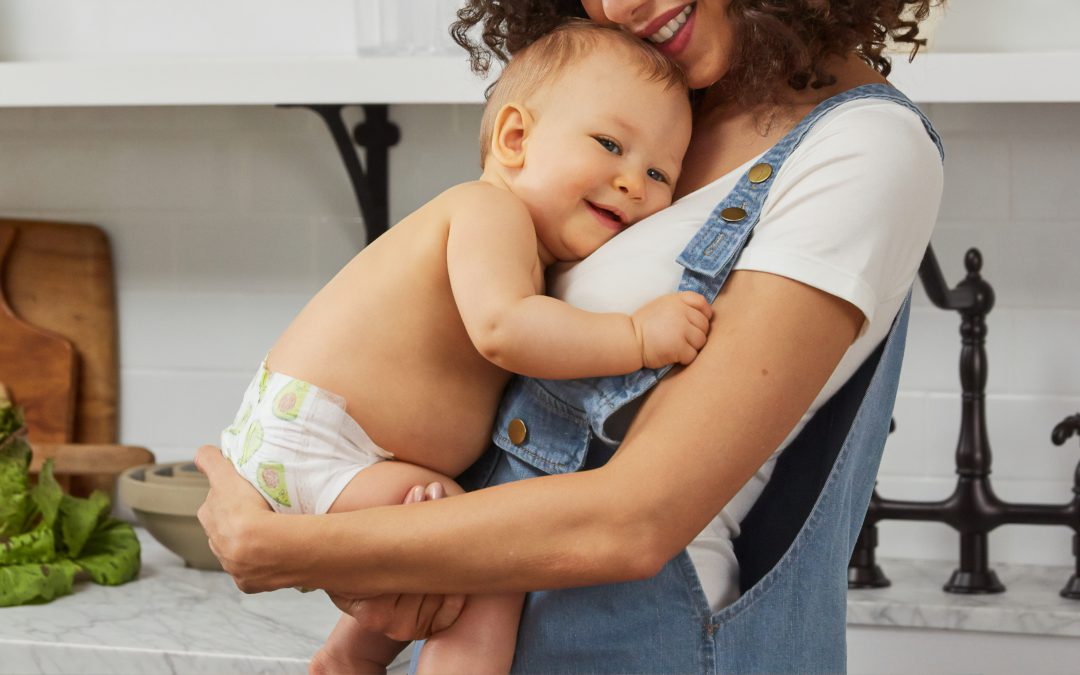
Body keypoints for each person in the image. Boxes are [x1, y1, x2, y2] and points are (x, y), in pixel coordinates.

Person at [196, 1, 945, 673]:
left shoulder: (865, 149)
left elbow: (638, 520)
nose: (619, 6)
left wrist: (289, 548)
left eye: (655, 172)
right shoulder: (635, 105)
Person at [216, 20, 704, 675]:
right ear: (515, 138)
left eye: (659, 172)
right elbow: (505, 330)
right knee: (490, 560)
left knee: (447, 546)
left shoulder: (523, 241)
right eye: (610, 143)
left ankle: (346, 658)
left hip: (325, 438)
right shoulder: (487, 212)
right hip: (322, 437)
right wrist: (638, 336)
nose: (633, 182)